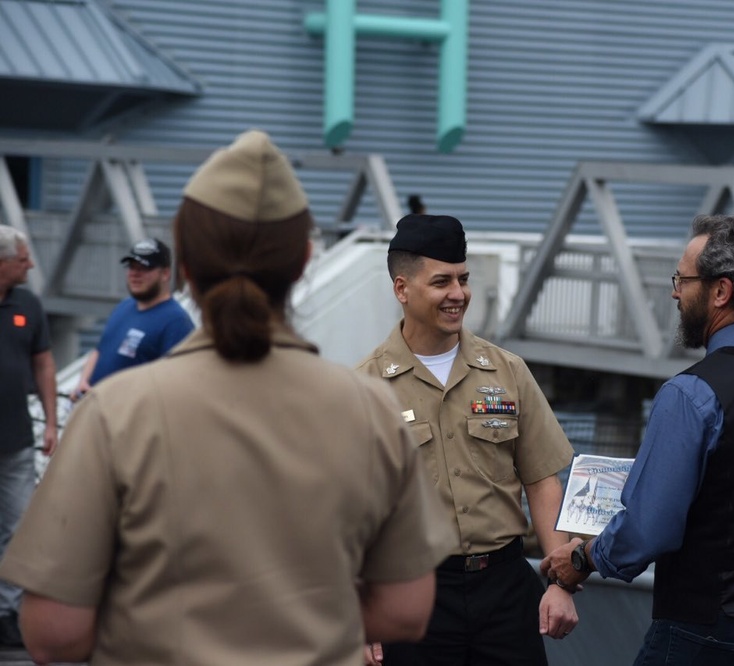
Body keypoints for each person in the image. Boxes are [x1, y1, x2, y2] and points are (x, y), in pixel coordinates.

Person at [0, 130, 455, 666]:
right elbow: (405, 610)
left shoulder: (115, 412)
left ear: (184, 265)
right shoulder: (370, 409)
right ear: (305, 259)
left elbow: (53, 632)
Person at [542, 215, 734, 665]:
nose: (675, 291)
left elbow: (649, 529)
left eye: (683, 279)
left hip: (704, 630)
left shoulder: (690, 395)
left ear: (720, 292)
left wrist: (582, 559)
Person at [357, 213, 579, 665]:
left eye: (463, 279)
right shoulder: (364, 387)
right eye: (441, 282)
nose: (458, 294)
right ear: (402, 289)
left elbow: (541, 481)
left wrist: (560, 582)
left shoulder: (508, 372)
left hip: (503, 589)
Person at [0, 226, 57, 649]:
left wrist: (53, 422)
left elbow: (44, 365)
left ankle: (7, 614)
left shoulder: (28, 304)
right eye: (24, 259)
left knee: (19, 528)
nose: (31, 265)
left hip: (17, 441)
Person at [71, 237, 193, 400]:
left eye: (144, 268)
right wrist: (83, 382)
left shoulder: (176, 322)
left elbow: (176, 388)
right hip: (97, 413)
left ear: (165, 274)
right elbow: (100, 350)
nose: (135, 274)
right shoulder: (124, 306)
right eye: (131, 267)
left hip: (130, 421)